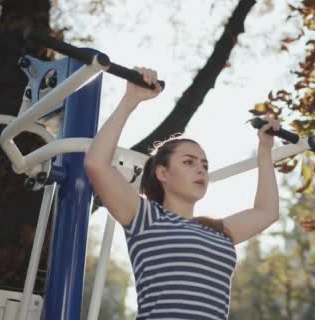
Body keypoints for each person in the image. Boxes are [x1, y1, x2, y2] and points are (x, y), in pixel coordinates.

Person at [84, 67, 280, 320]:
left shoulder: (217, 230)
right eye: (189, 162)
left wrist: (265, 149)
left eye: (204, 165)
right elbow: (97, 164)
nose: (200, 168)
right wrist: (130, 100)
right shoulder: (147, 217)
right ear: (163, 173)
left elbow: (267, 212)